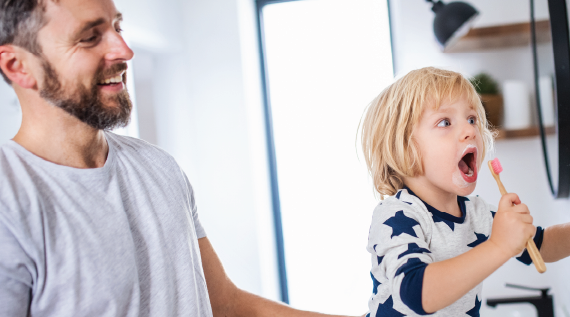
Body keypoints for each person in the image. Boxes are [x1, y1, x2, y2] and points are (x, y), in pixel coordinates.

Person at [0, 0, 353, 316]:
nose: (124, 50)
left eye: (117, 28)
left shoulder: (157, 166)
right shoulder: (10, 200)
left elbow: (225, 305)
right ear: (18, 66)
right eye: (90, 37)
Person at [358, 67, 570, 316]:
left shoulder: (477, 214)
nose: (470, 131)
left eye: (472, 119)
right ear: (404, 147)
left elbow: (541, 246)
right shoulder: (397, 216)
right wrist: (499, 246)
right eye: (445, 122)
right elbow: (416, 293)